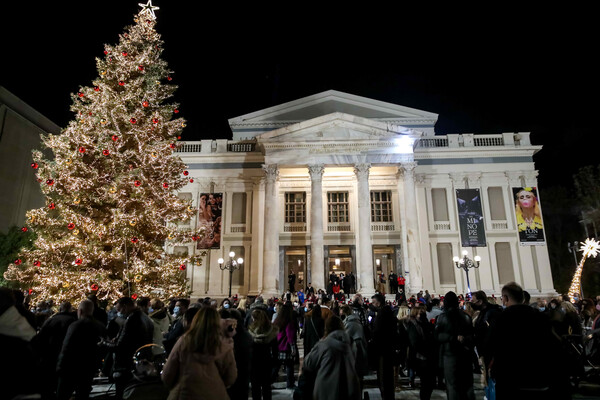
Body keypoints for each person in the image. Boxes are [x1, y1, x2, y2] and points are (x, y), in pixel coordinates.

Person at [490, 282, 570, 399]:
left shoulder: (500, 319)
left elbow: (495, 348)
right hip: (540, 378)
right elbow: (555, 345)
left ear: (505, 299)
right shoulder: (541, 317)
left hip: (511, 380)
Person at [162, 306, 237, 399]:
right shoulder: (224, 344)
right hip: (214, 394)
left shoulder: (185, 340)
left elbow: (168, 373)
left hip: (185, 393)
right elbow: (231, 376)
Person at [104, 296, 154, 399]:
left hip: (127, 365)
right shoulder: (144, 317)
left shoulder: (132, 319)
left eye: (119, 310)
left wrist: (104, 344)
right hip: (140, 362)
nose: (119, 313)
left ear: (125, 307)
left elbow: (121, 346)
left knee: (123, 393)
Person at [56, 299, 106, 400]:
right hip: (89, 367)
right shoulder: (100, 326)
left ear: (80, 311)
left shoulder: (75, 325)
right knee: (83, 394)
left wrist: (60, 366)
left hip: (71, 367)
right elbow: (102, 346)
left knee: (63, 394)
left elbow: (67, 347)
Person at [302, 316, 361, 400]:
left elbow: (308, 363)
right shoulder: (351, 343)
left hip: (326, 389)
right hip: (349, 388)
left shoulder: (324, 344)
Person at [434, 291, 475, 400]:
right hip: (465, 354)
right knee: (467, 385)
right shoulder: (466, 317)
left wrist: (451, 338)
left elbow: (437, 337)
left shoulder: (441, 318)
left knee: (452, 386)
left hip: (449, 355)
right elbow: (472, 337)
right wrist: (463, 339)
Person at [34, 301, 77, 400]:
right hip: (66, 357)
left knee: (49, 384)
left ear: (60, 309)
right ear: (70, 309)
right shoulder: (73, 321)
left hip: (49, 355)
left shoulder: (51, 320)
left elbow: (41, 338)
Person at [370, 293, 397, 400]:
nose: (372, 305)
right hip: (388, 349)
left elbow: (378, 331)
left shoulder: (382, 313)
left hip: (383, 350)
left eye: (373, 302)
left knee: (384, 377)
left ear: (378, 302)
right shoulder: (387, 312)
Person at [406, 305, 436, 400]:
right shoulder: (413, 325)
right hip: (421, 357)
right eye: (421, 313)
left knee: (429, 382)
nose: (423, 314)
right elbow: (415, 342)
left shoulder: (424, 323)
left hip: (428, 356)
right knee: (426, 382)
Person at [248, 309, 279, 400]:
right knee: (266, 388)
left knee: (255, 388)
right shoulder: (271, 331)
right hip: (266, 360)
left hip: (254, 361)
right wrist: (275, 363)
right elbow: (275, 350)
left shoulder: (251, 332)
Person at [469, 290, 501, 372]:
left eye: (473, 301)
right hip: (484, 353)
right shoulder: (482, 313)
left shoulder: (492, 313)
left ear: (480, 301)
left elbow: (491, 335)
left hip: (492, 354)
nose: (471, 303)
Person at [340, 305, 368, 388]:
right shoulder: (353, 320)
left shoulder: (351, 322)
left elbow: (346, 337)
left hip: (355, 349)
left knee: (356, 372)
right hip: (357, 348)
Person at [274, 301, 297, 389]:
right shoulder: (288, 322)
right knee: (289, 366)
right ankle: (290, 383)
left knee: (276, 366)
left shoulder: (277, 321)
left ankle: (269, 380)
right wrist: (293, 348)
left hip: (278, 346)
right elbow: (290, 336)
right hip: (285, 346)